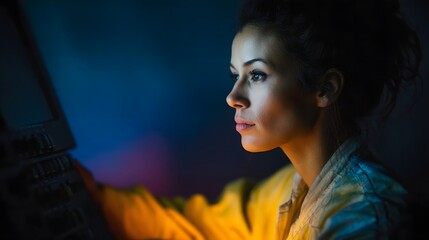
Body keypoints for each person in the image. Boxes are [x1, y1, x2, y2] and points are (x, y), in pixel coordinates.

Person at [77, 0, 422, 239]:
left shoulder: (364, 218)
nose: (233, 98)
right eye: (235, 75)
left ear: (325, 88)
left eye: (256, 75)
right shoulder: (287, 190)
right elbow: (196, 224)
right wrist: (84, 191)